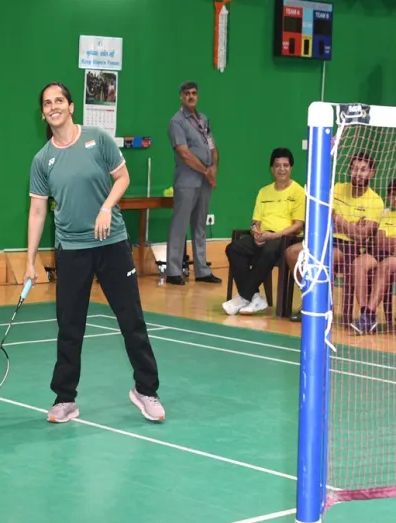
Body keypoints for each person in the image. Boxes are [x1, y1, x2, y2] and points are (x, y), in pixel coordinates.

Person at [26, 81, 164, 424]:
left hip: (112, 243)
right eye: (47, 103)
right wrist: (29, 261)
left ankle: (146, 390)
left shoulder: (97, 139)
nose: (54, 106)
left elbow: (123, 178)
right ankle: (65, 399)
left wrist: (106, 208)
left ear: (71, 106)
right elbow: (37, 212)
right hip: (72, 250)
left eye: (59, 100)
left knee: (131, 320)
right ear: (43, 113)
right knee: (69, 327)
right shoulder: (42, 160)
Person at [285, 152, 384, 323]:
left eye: (363, 170)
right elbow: (323, 216)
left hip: (352, 247)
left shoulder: (376, 201)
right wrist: (352, 226)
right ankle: (311, 300)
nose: (358, 174)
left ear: (371, 173)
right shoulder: (338, 188)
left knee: (324, 258)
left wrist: (337, 218)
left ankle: (322, 307)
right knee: (292, 253)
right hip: (328, 238)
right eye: (354, 169)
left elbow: (362, 237)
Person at [223, 148, 305, 316]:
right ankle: (254, 297)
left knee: (269, 249)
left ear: (291, 168)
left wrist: (273, 235)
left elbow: (298, 225)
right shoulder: (264, 191)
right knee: (234, 248)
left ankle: (243, 296)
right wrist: (255, 233)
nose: (282, 169)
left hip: (284, 239)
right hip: (263, 236)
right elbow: (255, 222)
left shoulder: (298, 192)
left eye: (286, 165)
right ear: (271, 169)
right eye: (277, 165)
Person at [165, 81, 221, 285]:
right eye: (187, 93)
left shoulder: (203, 119)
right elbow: (184, 153)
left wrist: (213, 167)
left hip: (205, 180)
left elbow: (212, 147)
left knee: (200, 225)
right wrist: (206, 171)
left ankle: (202, 270)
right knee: (180, 225)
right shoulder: (177, 122)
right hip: (187, 180)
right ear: (181, 96)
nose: (191, 96)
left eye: (194, 93)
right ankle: (173, 271)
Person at [350, 178, 396, 334]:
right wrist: (390, 242)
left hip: (391, 258)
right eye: (393, 194)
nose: (395, 198)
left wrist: (387, 241)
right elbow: (379, 241)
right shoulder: (386, 213)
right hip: (380, 252)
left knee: (386, 265)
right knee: (358, 263)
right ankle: (366, 314)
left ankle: (368, 314)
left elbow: (385, 241)